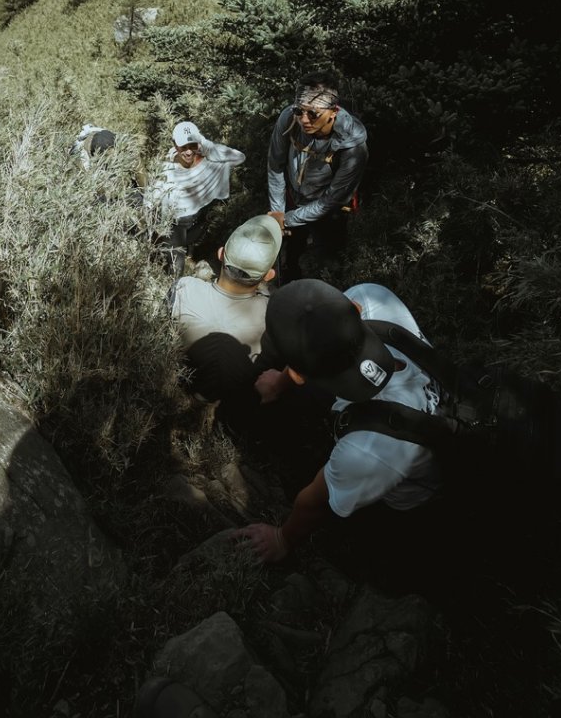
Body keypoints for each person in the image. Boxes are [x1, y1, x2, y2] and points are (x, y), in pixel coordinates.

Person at [233, 280, 442, 564]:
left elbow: (313, 503)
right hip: (424, 421)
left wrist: (282, 538)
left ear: (299, 375)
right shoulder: (372, 299)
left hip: (412, 500)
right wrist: (279, 385)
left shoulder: (365, 450)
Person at [169, 214, 285, 405]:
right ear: (269, 275)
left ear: (221, 254)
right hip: (240, 404)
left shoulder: (184, 289)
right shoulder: (273, 318)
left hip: (183, 386)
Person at [268, 71, 368, 282]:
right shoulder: (289, 119)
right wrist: (277, 211)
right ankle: (288, 283)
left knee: (331, 259)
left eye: (313, 113)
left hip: (330, 210)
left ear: (333, 112)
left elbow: (332, 200)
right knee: (290, 252)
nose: (304, 120)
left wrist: (286, 219)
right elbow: (275, 165)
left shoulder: (353, 148)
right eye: (299, 111)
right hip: (294, 197)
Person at [146, 120, 245, 277]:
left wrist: (205, 144)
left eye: (192, 145)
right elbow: (151, 201)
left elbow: (239, 158)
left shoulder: (208, 162)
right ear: (174, 145)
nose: (188, 152)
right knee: (175, 269)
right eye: (183, 147)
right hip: (174, 225)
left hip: (199, 220)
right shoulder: (166, 169)